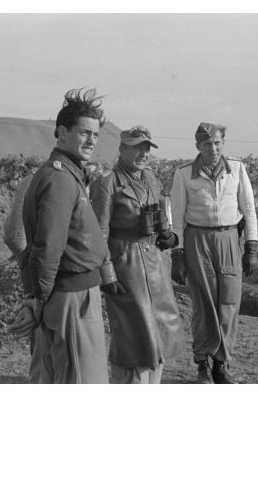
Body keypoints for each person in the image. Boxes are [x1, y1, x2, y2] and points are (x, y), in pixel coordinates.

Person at [8, 88, 123, 384]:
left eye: (95, 135)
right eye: (84, 133)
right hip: (72, 297)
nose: (91, 141)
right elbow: (48, 248)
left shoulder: (68, 175)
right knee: (82, 379)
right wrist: (37, 301)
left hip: (73, 294)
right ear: (61, 133)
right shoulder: (59, 179)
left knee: (58, 375)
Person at [90, 126, 185, 384]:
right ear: (122, 149)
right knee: (134, 337)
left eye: (146, 148)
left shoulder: (150, 178)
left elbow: (160, 213)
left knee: (161, 335)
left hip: (154, 263)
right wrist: (107, 274)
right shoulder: (106, 183)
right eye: (137, 148)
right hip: (126, 266)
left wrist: (168, 236)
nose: (143, 154)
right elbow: (99, 234)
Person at [170, 122, 258, 384]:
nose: (213, 148)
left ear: (223, 143)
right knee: (203, 304)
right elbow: (177, 219)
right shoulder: (184, 174)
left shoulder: (237, 169)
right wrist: (178, 255)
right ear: (198, 146)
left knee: (230, 302)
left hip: (230, 237)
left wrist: (251, 248)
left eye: (218, 143)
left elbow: (249, 209)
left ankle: (222, 363)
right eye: (207, 144)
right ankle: (202, 363)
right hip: (197, 239)